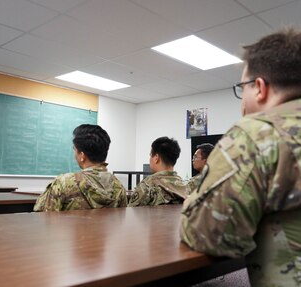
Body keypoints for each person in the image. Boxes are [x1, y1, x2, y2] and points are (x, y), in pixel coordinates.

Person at [179, 28, 301, 287]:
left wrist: (193, 201)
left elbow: (210, 235)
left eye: (241, 87)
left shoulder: (256, 134)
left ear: (259, 87)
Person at [33, 124, 127, 212]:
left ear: (82, 155)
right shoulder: (118, 185)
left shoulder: (63, 183)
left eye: (75, 150)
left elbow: (44, 218)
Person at [128, 137, 189, 207]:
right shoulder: (185, 186)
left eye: (151, 155)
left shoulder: (147, 185)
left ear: (156, 158)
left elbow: (131, 212)